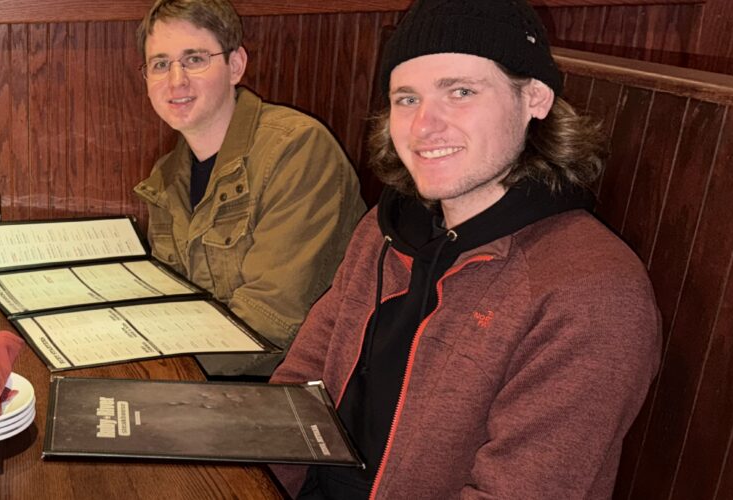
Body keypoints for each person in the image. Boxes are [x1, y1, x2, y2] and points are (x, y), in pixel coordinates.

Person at [269, 0, 661, 497]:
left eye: (460, 92)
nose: (424, 126)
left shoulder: (592, 288)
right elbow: (301, 380)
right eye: (406, 99)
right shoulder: (385, 228)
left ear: (534, 98)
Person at [132, 0, 365, 378]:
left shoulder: (297, 148)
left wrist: (156, 368)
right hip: (206, 383)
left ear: (235, 66)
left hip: (288, 388)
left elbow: (273, 320)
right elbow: (171, 303)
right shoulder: (166, 175)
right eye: (160, 64)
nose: (176, 81)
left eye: (194, 59)